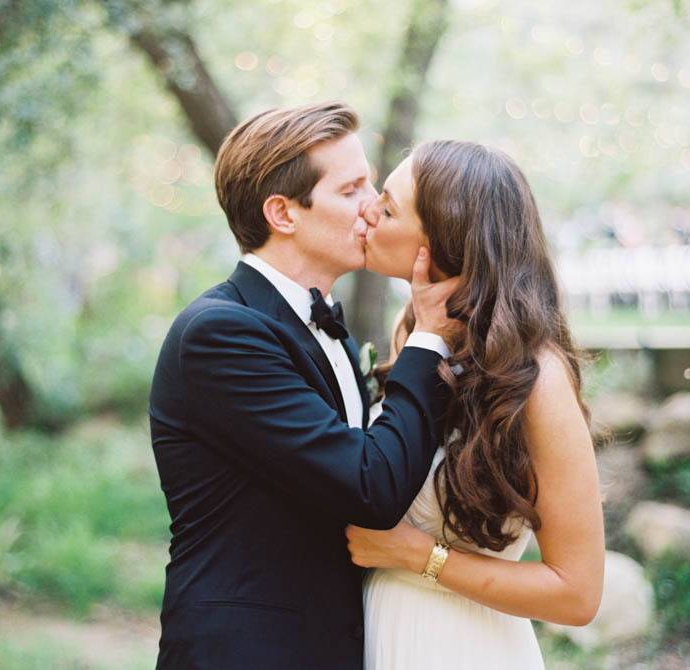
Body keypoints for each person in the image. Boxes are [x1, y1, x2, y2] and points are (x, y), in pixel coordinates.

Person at [148, 102, 459, 670]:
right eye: (351, 190)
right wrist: (429, 341)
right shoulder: (220, 334)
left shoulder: (325, 330)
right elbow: (372, 487)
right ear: (283, 213)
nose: (374, 207)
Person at [346, 140, 605, 669]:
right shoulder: (413, 336)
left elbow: (577, 594)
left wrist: (418, 556)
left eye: (389, 207)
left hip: (462, 646)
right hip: (378, 636)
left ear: (444, 242)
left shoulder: (535, 378)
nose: (367, 210)